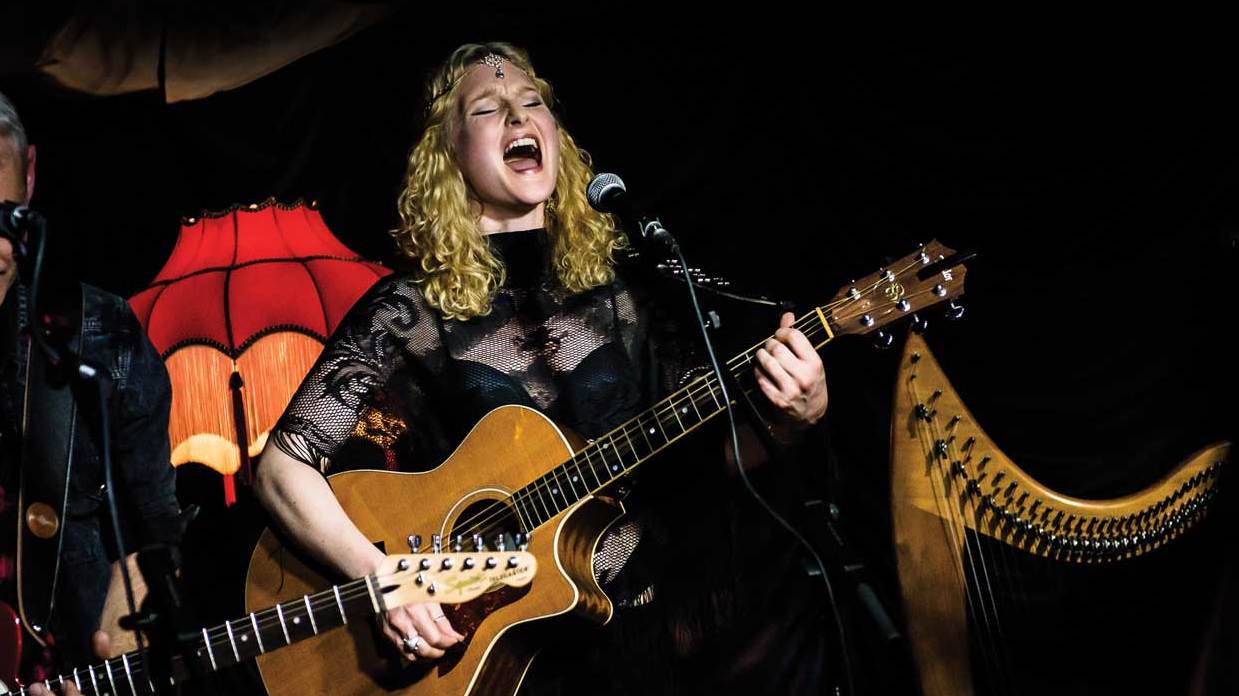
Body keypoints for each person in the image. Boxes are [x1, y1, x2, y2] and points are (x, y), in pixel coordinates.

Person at [253, 42, 828, 693]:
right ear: (448, 154)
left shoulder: (635, 291)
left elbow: (712, 459)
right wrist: (381, 580)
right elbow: (283, 464)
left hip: (658, 641)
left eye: (533, 104)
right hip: (513, 660)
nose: (519, 118)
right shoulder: (409, 310)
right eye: (489, 109)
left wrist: (788, 421)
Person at [1, 89, 183, 693]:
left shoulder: (97, 337)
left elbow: (154, 529)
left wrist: (127, 628)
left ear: (29, 178)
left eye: (4, 218)